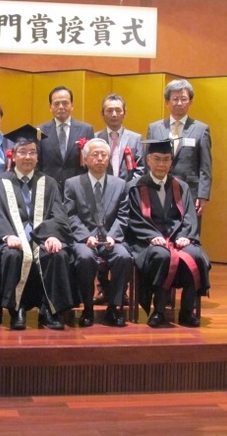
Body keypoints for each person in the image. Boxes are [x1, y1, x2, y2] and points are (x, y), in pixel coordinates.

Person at [0, 124, 75, 331]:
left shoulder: (49, 183)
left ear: (37, 157)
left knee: (57, 254)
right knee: (12, 255)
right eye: (23, 152)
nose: (27, 157)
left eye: (32, 152)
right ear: (13, 155)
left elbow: (59, 214)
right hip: (12, 238)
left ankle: (50, 310)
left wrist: (53, 236)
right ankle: (17, 309)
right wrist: (8, 236)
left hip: (41, 238)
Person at [128, 139, 210, 328]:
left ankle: (187, 311)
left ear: (171, 162)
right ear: (148, 160)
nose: (161, 164)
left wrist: (185, 236)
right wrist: (151, 236)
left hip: (179, 238)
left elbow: (189, 216)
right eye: (157, 159)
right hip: (147, 241)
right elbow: (133, 218)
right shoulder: (135, 187)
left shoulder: (181, 186)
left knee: (195, 255)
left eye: (166, 159)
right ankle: (158, 311)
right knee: (162, 255)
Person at [63, 138, 132, 328]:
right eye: (95, 154)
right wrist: (86, 236)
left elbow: (123, 215)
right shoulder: (72, 184)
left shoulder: (120, 184)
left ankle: (114, 307)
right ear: (85, 159)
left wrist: (113, 236)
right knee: (85, 257)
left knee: (124, 257)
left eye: (104, 155)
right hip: (84, 239)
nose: (100, 158)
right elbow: (70, 215)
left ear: (109, 159)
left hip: (111, 238)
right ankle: (87, 308)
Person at [93, 93, 144, 305]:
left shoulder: (136, 139)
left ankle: (120, 291)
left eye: (118, 110)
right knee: (100, 240)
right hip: (99, 200)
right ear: (102, 113)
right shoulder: (95, 138)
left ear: (124, 113)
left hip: (127, 199)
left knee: (122, 244)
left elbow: (140, 170)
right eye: (109, 110)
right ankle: (103, 287)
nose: (114, 114)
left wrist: (122, 189)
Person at [146, 79, 212, 218]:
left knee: (188, 229)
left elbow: (205, 167)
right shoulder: (154, 128)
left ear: (190, 102)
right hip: (158, 190)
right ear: (167, 102)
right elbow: (148, 161)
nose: (179, 103)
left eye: (183, 99)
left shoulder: (201, 129)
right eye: (175, 99)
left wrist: (203, 195)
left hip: (189, 192)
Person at [38, 85, 95, 190]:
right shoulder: (40, 131)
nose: (61, 107)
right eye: (56, 104)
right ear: (50, 107)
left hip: (78, 189)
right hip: (49, 189)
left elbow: (91, 164)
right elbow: (38, 164)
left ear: (72, 105)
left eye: (65, 103)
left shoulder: (86, 130)